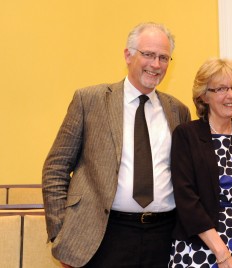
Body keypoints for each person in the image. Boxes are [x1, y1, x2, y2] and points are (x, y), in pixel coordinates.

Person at [42, 22, 191, 268]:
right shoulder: (89, 100)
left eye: (164, 57)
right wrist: (61, 234)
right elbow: (55, 168)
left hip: (164, 238)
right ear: (128, 55)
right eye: (148, 54)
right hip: (103, 236)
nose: (156, 64)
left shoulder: (178, 110)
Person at [168, 58, 232, 268]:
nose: (231, 95)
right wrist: (222, 254)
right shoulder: (186, 135)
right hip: (200, 247)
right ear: (204, 95)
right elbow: (187, 199)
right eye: (221, 89)